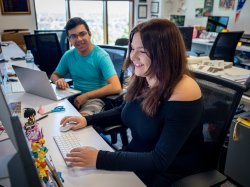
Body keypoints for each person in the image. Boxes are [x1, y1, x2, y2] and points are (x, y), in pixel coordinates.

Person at [60, 19, 204, 186]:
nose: (132, 56)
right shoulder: (146, 77)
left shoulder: (184, 90)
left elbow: (160, 160)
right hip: (138, 158)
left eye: (141, 51)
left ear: (164, 52)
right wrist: (87, 120)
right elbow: (123, 111)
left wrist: (100, 158)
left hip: (168, 171)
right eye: (132, 48)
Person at [50, 17, 121, 116]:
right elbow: (54, 75)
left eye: (82, 34)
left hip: (96, 99)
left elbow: (116, 86)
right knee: (53, 113)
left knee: (79, 122)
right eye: (73, 36)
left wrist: (86, 96)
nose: (78, 39)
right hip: (75, 96)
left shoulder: (101, 56)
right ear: (69, 39)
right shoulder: (68, 55)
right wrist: (58, 80)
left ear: (89, 34)